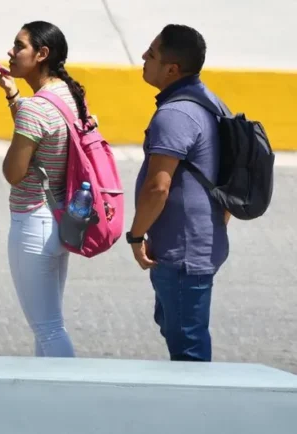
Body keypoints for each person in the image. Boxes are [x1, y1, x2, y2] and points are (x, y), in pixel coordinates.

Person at [128, 24, 230, 362]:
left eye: (152, 53)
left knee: (188, 350)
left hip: (183, 255)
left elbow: (157, 187)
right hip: (196, 246)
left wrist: (136, 235)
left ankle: (199, 413)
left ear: (172, 68)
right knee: (179, 332)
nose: (144, 57)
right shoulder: (213, 103)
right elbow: (230, 176)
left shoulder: (174, 114)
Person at [0, 21, 89, 357]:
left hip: (33, 223)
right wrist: (12, 92)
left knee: (48, 330)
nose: (11, 52)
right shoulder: (68, 94)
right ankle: (49, 402)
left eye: (19, 46)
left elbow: (13, 173)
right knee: (47, 325)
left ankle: (71, 403)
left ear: (42, 54)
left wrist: (15, 143)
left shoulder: (36, 108)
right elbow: (41, 127)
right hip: (59, 219)